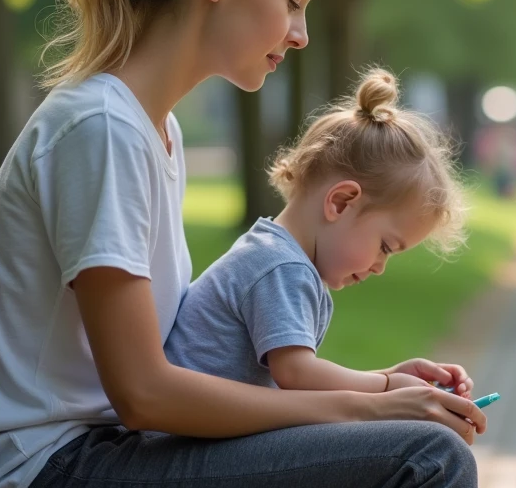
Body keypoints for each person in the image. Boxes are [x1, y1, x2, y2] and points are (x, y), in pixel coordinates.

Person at [0, 0, 486, 488]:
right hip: (45, 480)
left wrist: (376, 389)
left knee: (413, 453)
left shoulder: (152, 131)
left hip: (91, 458)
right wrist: (368, 407)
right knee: (427, 462)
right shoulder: (103, 129)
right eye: (294, 0)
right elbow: (144, 393)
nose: (300, 33)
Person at [164, 68, 476, 400]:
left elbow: (303, 377)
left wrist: (392, 376)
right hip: (179, 429)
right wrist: (386, 387)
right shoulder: (281, 267)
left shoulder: (277, 254)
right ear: (341, 202)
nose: (380, 267)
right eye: (385, 247)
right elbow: (296, 374)